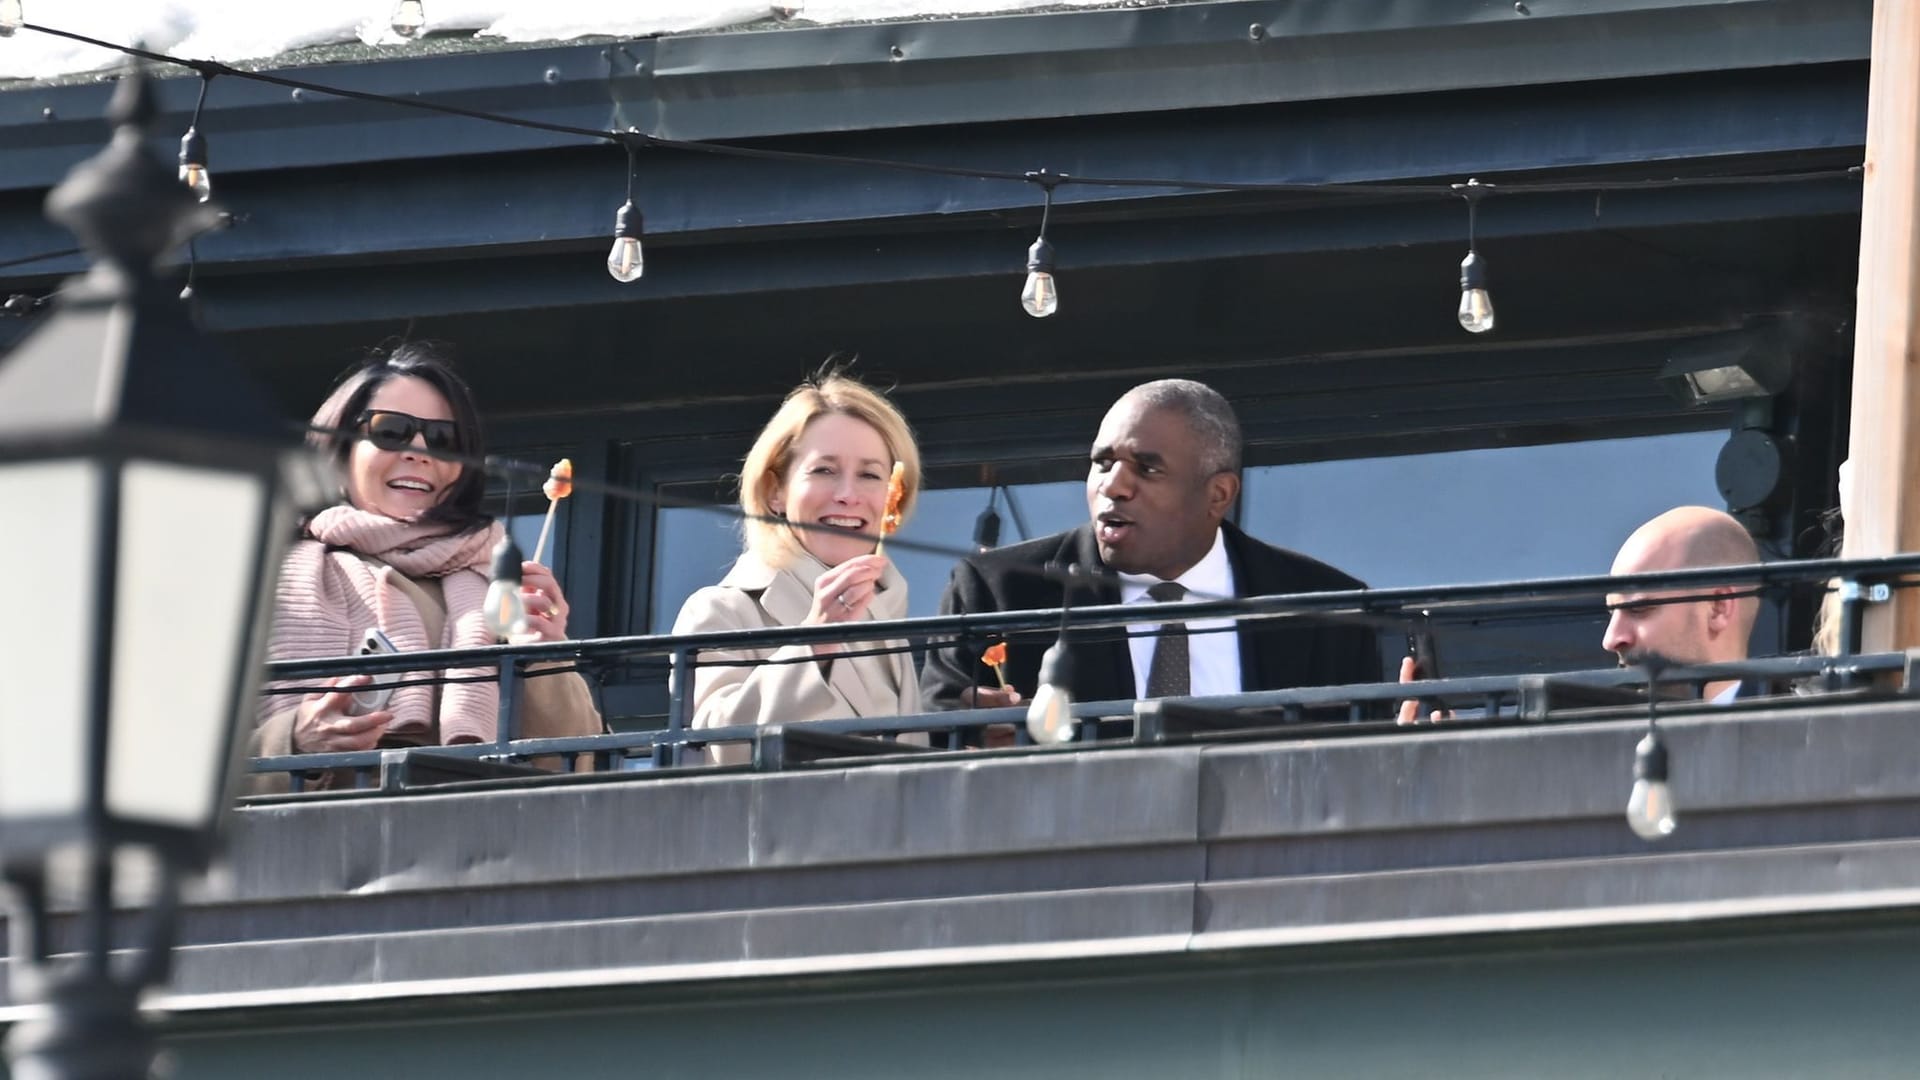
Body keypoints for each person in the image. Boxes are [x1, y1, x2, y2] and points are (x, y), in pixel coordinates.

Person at [921, 378, 1382, 715]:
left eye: (1147, 469)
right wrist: (974, 734)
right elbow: (937, 739)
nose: (1114, 486)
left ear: (1218, 495)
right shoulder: (997, 592)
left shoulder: (1327, 610)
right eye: (1102, 463)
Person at [253, 344, 601, 788]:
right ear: (339, 452)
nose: (419, 451)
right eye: (391, 431)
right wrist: (295, 743)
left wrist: (543, 655)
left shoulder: (499, 590)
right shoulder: (270, 579)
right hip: (324, 846)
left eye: (443, 440)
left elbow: (576, 767)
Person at [672, 372, 924, 764]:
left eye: (870, 475)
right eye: (824, 470)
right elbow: (719, 748)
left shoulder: (891, 616)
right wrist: (814, 642)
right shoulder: (722, 611)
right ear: (776, 491)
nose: (847, 495)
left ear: (893, 498)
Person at [1600, 505, 1762, 703]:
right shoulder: (1583, 727)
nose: (1610, 640)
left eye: (1638, 609)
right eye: (1611, 613)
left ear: (1718, 607)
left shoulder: (1798, 728)